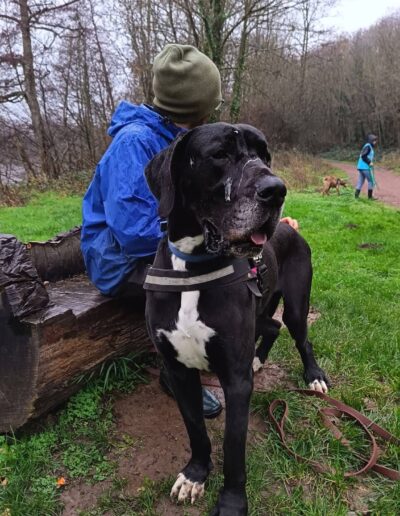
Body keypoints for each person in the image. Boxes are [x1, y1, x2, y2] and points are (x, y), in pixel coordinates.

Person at [81, 43, 298, 418]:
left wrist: (252, 223)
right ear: (195, 103)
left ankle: (234, 337)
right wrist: (218, 235)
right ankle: (177, 367)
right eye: (211, 101)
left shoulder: (175, 136)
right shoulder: (135, 143)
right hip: (118, 262)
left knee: (232, 272)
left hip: (156, 248)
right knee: (216, 281)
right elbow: (135, 234)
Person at [355, 134, 378, 199]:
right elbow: (363, 156)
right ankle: (370, 197)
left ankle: (356, 196)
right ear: (371, 140)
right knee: (371, 181)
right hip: (365, 167)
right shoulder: (368, 146)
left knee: (360, 181)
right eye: (374, 140)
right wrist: (369, 162)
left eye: (375, 140)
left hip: (360, 167)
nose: (375, 142)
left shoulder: (367, 146)